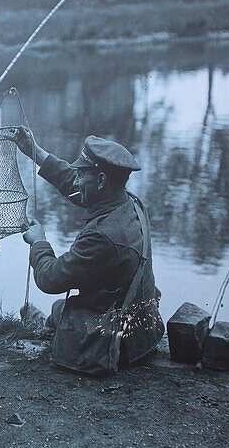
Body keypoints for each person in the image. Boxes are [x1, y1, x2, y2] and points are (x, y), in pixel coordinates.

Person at [13, 130, 164, 374]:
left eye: (83, 174)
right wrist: (35, 152)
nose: (78, 180)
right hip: (143, 327)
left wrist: (38, 242)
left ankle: (45, 324)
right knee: (61, 310)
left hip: (117, 342)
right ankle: (50, 320)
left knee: (62, 311)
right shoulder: (126, 202)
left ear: (102, 180)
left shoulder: (103, 236)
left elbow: (50, 279)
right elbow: (74, 184)